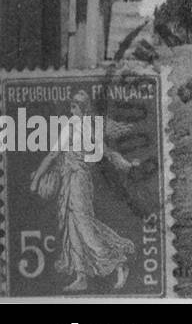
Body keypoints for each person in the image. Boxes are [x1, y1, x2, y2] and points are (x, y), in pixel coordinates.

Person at [30, 91, 139, 292]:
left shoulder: (75, 128)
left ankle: (118, 263)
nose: (71, 110)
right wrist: (127, 165)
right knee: (74, 227)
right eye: (71, 106)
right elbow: (109, 154)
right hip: (72, 181)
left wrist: (37, 179)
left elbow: (54, 154)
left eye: (75, 107)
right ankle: (81, 277)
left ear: (82, 109)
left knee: (84, 227)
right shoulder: (85, 128)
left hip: (78, 181)